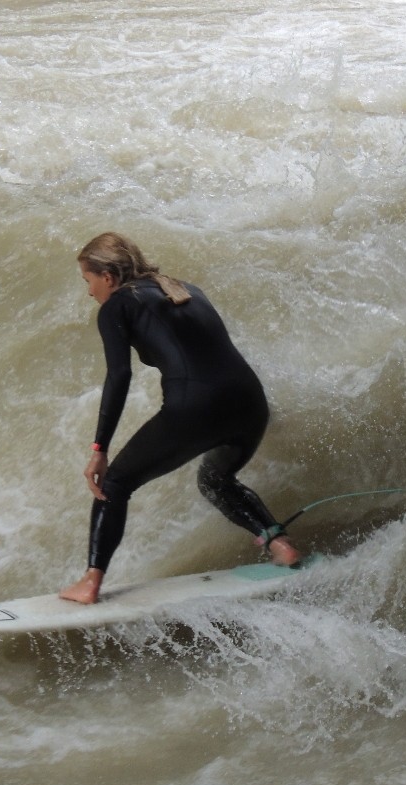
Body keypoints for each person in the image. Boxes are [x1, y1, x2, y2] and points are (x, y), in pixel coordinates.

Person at [60, 232, 301, 604]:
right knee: (215, 479)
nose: (89, 291)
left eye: (88, 281)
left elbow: (119, 376)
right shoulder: (185, 289)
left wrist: (99, 449)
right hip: (251, 403)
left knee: (115, 484)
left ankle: (90, 582)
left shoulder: (116, 306)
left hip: (195, 406)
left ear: (107, 277)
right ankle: (280, 544)